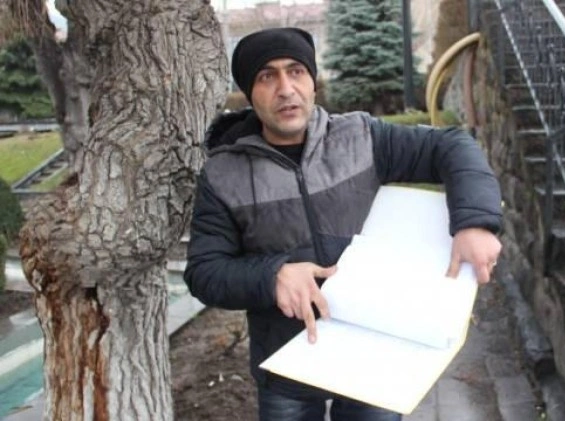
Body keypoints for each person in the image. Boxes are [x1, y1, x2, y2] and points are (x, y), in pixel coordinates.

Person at [183, 27, 503, 421]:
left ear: (312, 81)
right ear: (250, 93)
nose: (285, 88)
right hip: (286, 364)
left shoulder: (361, 137)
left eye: (296, 71)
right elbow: (205, 272)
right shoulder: (223, 175)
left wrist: (475, 222)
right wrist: (272, 275)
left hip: (374, 353)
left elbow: (451, 145)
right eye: (267, 76)